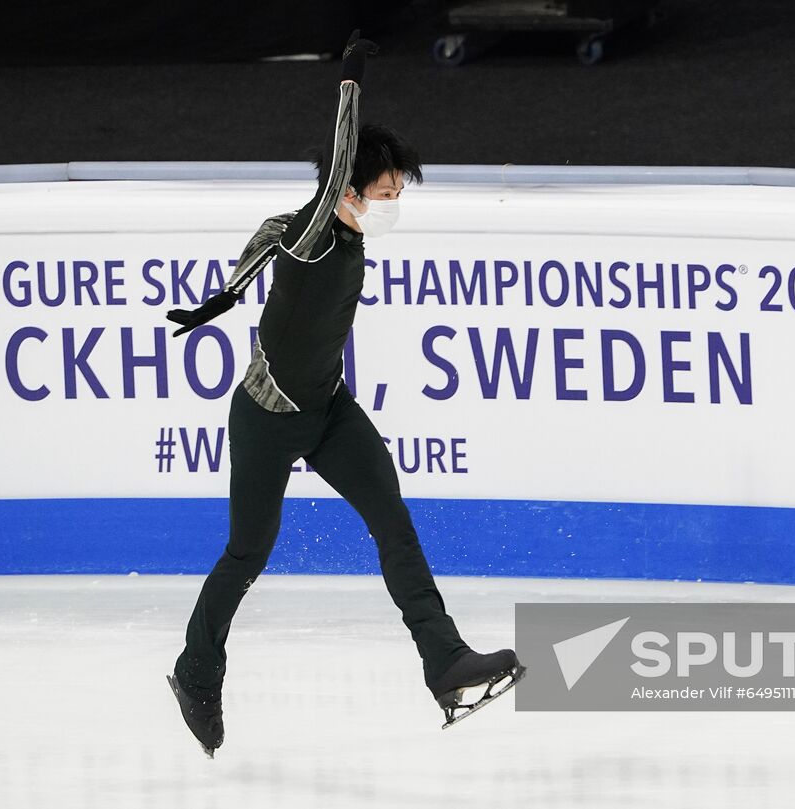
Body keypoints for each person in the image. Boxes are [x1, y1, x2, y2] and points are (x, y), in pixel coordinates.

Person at [162, 30, 524, 758]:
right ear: (348, 192)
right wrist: (351, 79)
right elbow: (301, 209)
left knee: (392, 519)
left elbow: (262, 235)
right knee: (247, 553)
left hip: (328, 409)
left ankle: (444, 662)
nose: (394, 204)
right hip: (267, 421)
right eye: (385, 193)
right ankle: (196, 670)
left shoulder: (323, 235)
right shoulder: (320, 233)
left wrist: (223, 296)